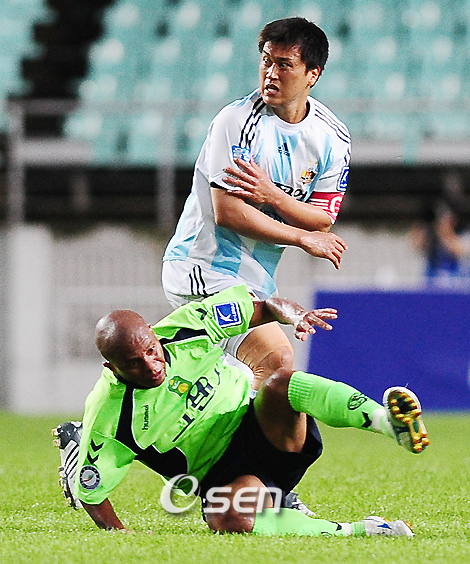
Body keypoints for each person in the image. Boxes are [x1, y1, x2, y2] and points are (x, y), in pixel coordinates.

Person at [53, 285, 429, 537]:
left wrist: (294, 315)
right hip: (225, 476)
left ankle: (388, 423)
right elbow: (91, 494)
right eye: (133, 363)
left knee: (281, 383)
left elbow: (262, 306)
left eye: (151, 351)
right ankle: (362, 529)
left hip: (263, 430)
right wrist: (120, 534)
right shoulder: (109, 413)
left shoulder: (186, 327)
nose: (151, 365)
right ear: (111, 367)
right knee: (227, 517)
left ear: (153, 332)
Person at [162, 17, 350, 391]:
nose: (271, 73)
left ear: (312, 74)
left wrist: (273, 196)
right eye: (266, 60)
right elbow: (228, 212)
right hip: (203, 268)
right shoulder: (236, 122)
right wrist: (301, 237)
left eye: (285, 64)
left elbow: (322, 219)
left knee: (239, 383)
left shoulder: (332, 137)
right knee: (275, 361)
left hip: (255, 281)